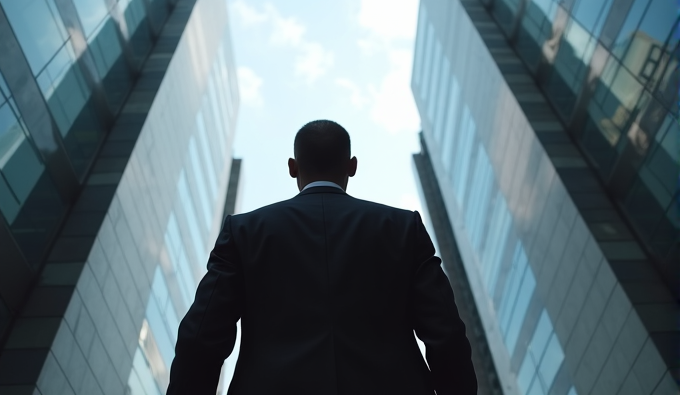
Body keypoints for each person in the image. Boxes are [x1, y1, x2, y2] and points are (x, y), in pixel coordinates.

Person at [166, 120, 477, 395]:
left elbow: (201, 338)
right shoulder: (403, 228)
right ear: (352, 165)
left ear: (293, 167)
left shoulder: (244, 232)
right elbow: (446, 335)